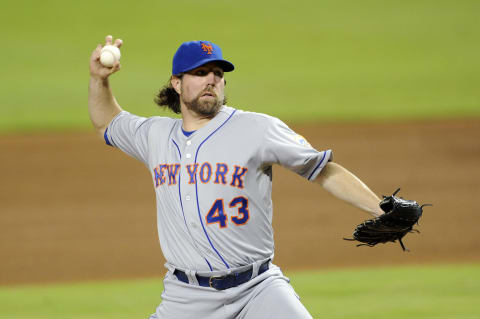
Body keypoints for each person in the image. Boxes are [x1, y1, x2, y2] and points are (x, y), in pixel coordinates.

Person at [88, 35, 384, 319]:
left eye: (217, 73)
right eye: (200, 72)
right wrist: (99, 79)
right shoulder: (155, 136)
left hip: (258, 288)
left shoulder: (257, 129)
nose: (211, 80)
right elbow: (106, 123)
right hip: (187, 298)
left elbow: (322, 170)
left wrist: (381, 208)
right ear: (177, 84)